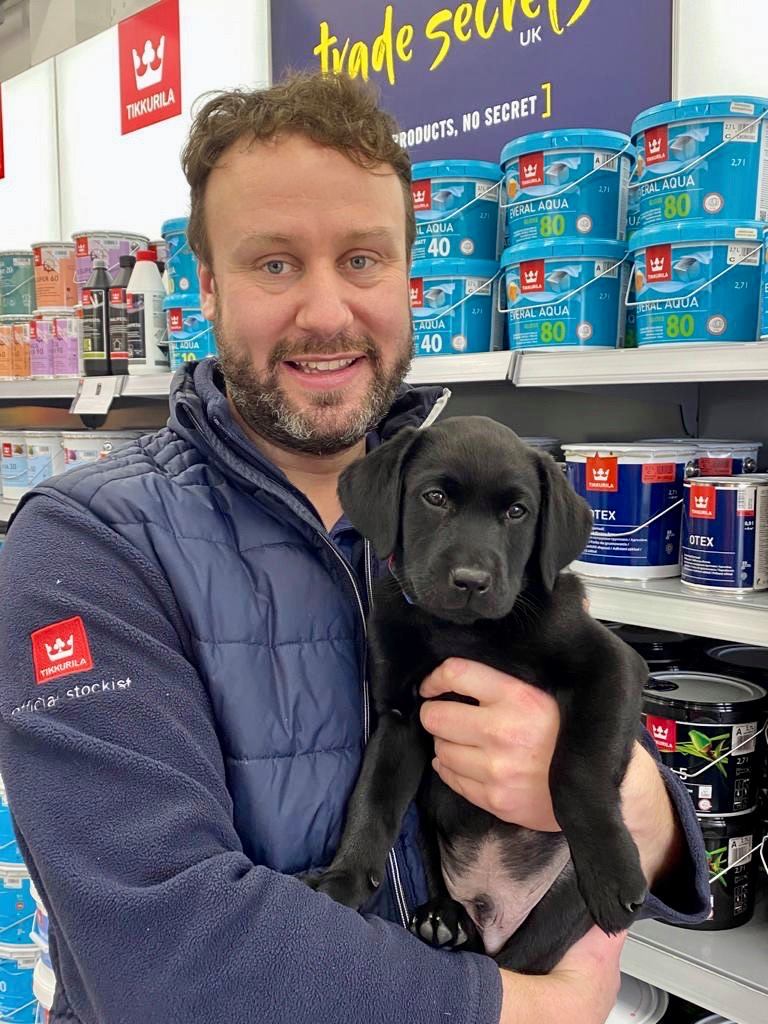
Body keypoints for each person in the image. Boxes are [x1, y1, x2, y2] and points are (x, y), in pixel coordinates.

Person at [0, 73, 708, 1024]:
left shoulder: (468, 503)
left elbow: (621, 767)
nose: (328, 312)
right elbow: (157, 947)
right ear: (206, 289)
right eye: (276, 264)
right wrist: (526, 1009)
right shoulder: (84, 547)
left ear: (407, 277)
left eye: (364, 259)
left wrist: (646, 812)